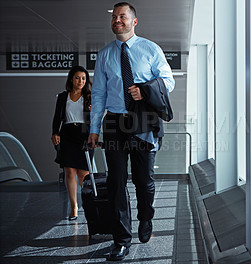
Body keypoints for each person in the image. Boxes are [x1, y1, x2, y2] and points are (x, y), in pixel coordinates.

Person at [88, 2, 174, 261]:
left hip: (143, 121)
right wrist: (94, 129)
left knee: (143, 180)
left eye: (122, 17)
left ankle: (146, 217)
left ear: (134, 21)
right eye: (114, 17)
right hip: (114, 123)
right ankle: (121, 239)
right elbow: (100, 94)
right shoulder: (104, 54)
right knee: (115, 182)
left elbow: (168, 81)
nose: (117, 21)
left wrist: (144, 89)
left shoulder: (150, 49)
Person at [52, 65, 92, 221]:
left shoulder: (90, 96)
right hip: (67, 134)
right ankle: (74, 207)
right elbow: (57, 117)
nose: (81, 81)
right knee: (69, 171)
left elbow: (96, 117)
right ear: (71, 79)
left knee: (83, 174)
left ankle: (89, 205)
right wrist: (54, 132)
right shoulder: (63, 97)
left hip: (84, 135)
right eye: (77, 78)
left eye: (83, 78)